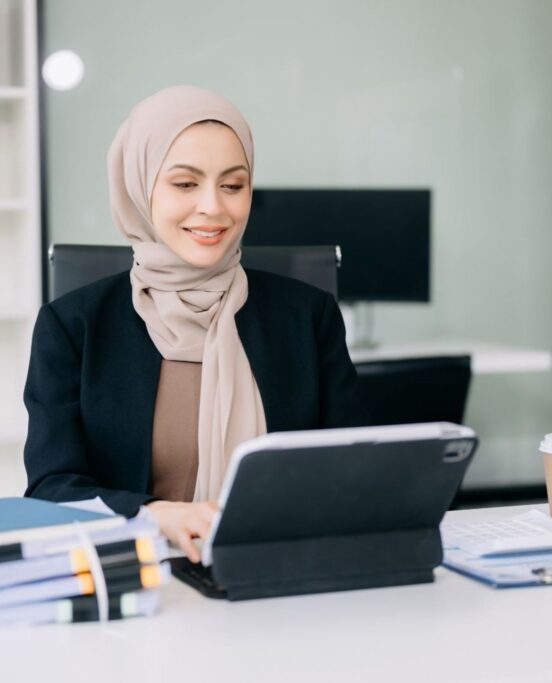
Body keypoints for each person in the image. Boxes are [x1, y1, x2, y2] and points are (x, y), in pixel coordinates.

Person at [23, 85, 366, 561]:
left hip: (283, 568)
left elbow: (354, 469)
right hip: (142, 573)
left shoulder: (308, 316)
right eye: (185, 184)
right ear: (140, 188)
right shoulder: (71, 326)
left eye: (233, 185)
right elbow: (51, 490)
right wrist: (155, 515)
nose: (213, 207)